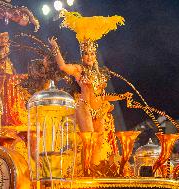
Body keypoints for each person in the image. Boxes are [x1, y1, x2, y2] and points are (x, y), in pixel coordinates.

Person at [48, 10, 128, 167]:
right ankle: (86, 170)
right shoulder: (79, 69)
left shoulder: (100, 74)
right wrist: (55, 47)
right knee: (89, 139)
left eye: (92, 54)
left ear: (95, 55)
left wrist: (121, 96)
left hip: (99, 110)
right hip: (84, 107)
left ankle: (94, 169)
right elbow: (63, 66)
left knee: (99, 141)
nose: (89, 57)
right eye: (86, 54)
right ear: (82, 56)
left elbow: (102, 96)